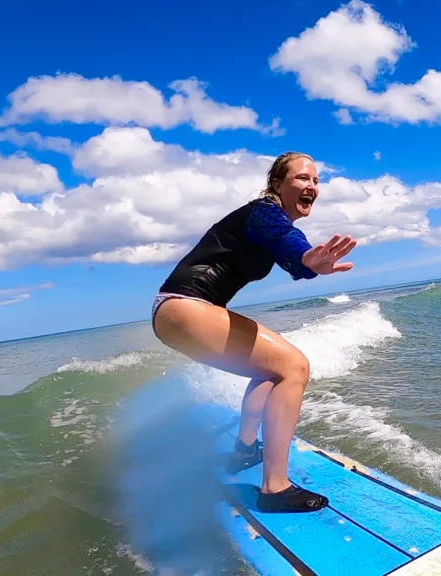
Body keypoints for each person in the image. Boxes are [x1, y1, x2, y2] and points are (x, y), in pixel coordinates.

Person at [150, 152, 356, 513]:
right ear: (277, 184)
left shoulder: (264, 222)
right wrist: (308, 257)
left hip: (176, 311)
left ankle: (245, 450)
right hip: (185, 305)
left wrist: (307, 263)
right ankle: (274, 488)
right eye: (302, 178)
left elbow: (285, 248)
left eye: (316, 181)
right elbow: (286, 238)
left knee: (269, 370)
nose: (312, 186)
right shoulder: (264, 211)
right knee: (294, 368)